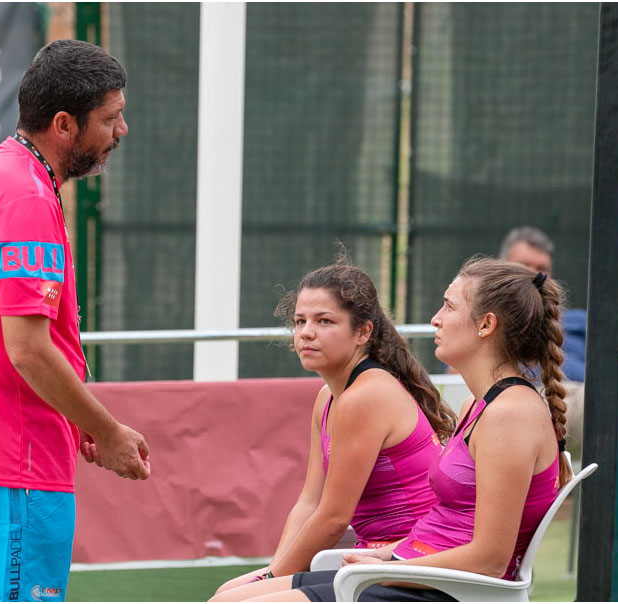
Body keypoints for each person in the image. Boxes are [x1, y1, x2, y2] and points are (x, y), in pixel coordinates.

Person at [0, 39, 150, 602]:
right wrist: (106, 430)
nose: (121, 130)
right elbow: (28, 350)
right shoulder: (25, 197)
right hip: (6, 465)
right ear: (64, 124)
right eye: (110, 118)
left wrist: (73, 415)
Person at [219, 256, 571, 602]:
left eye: (449, 307)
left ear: (486, 325)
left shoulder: (510, 415)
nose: (435, 319)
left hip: (438, 588)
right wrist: (384, 557)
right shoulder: (479, 407)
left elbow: (491, 560)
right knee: (227, 598)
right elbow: (449, 525)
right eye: (300, 321)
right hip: (409, 571)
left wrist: (386, 568)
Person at [212, 259, 456, 600]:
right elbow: (309, 502)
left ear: (363, 332)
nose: (306, 332)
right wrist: (275, 569)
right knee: (228, 593)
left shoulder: (366, 396)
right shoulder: (327, 398)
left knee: (233, 600)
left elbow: (333, 519)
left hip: (413, 571)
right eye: (300, 321)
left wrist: (272, 577)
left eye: (324, 321)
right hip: (370, 565)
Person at [499, 226, 586, 452]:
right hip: (534, 402)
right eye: (524, 266)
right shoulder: (491, 323)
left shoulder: (578, 321)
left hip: (586, 396)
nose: (533, 275)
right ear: (501, 269)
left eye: (541, 269)